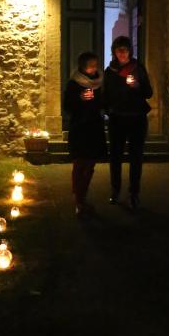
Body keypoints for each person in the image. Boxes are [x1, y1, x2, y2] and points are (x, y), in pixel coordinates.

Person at [103, 35, 153, 209]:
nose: (122, 53)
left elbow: (149, 93)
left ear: (130, 51)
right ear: (114, 52)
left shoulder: (138, 68)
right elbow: (105, 95)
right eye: (119, 50)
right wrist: (107, 109)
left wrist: (137, 86)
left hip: (137, 118)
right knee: (115, 157)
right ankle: (115, 190)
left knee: (136, 157)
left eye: (125, 50)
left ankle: (134, 193)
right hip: (117, 119)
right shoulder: (109, 72)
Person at [63, 50, 107, 218]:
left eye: (95, 65)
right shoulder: (74, 83)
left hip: (94, 127)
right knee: (79, 163)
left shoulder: (100, 82)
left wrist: (102, 102)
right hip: (80, 128)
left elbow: (103, 102)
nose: (94, 68)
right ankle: (79, 199)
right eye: (90, 66)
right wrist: (79, 98)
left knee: (90, 164)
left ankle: (83, 195)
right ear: (82, 67)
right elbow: (68, 106)